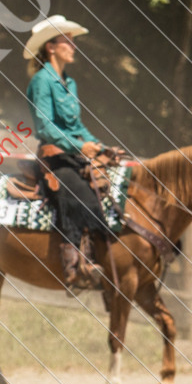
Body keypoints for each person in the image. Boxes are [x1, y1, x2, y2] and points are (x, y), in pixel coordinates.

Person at [24, 15, 119, 289]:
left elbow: (77, 126)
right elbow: (45, 126)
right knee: (82, 196)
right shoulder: (42, 81)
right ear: (51, 47)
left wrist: (100, 146)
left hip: (73, 154)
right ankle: (74, 270)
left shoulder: (70, 83)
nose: (73, 46)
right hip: (55, 158)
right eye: (67, 41)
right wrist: (80, 147)